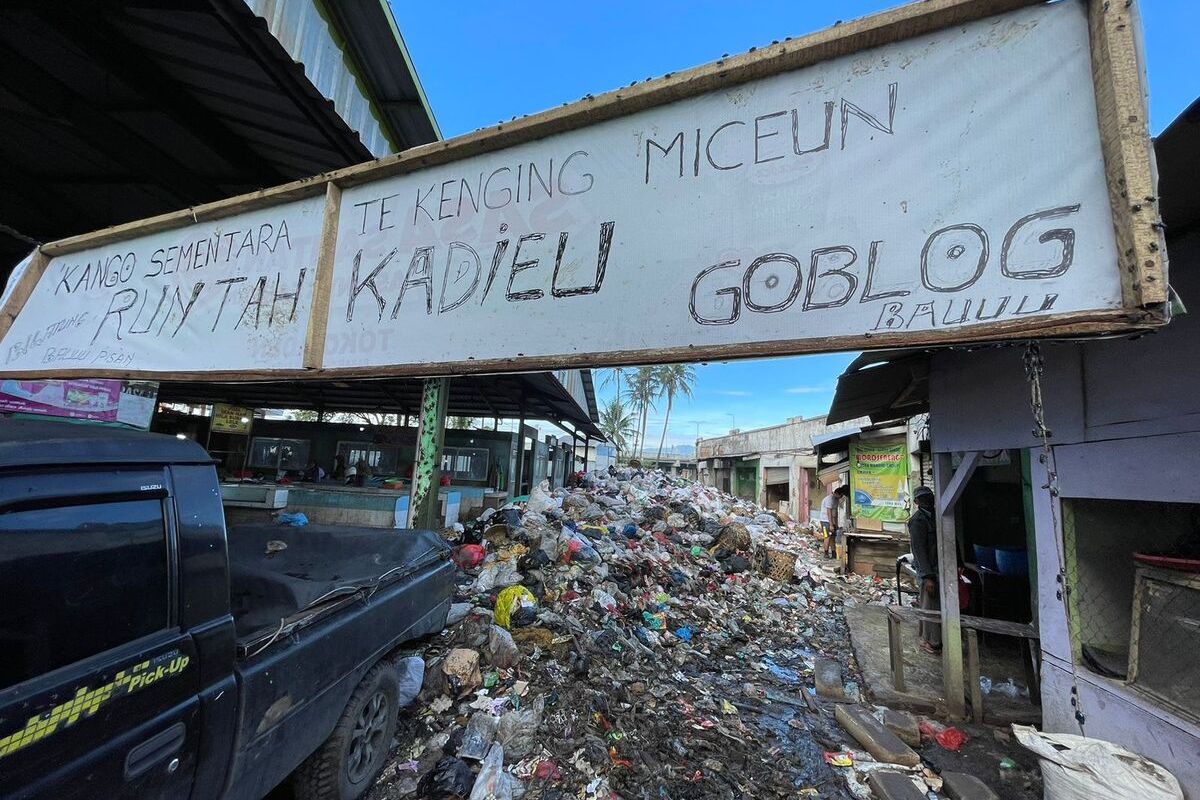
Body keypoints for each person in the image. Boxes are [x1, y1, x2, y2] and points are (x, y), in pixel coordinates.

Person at [908, 485, 941, 654]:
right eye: (923, 498)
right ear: (917, 502)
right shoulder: (917, 521)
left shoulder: (938, 516)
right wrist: (927, 576)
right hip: (929, 572)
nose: (927, 501)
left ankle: (932, 639)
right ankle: (932, 642)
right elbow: (919, 550)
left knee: (933, 606)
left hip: (940, 569)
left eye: (929, 497)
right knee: (930, 606)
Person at [820, 485, 850, 559]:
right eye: (841, 495)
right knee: (827, 537)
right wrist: (830, 524)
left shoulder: (836, 500)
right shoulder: (829, 499)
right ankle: (826, 553)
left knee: (833, 537)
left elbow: (835, 513)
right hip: (825, 521)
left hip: (832, 521)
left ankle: (833, 553)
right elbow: (829, 512)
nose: (841, 497)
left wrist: (835, 523)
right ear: (837, 493)